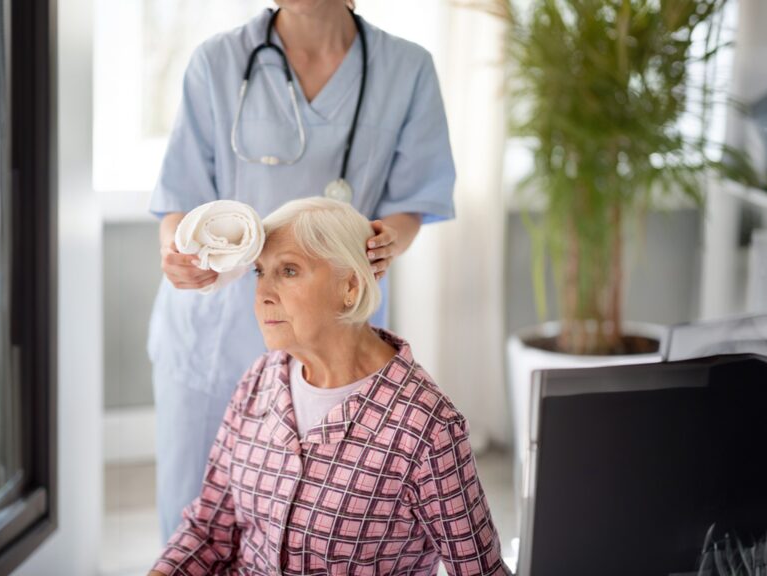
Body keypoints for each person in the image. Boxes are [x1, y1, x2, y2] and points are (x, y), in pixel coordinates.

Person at [149, 0, 456, 541]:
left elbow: (412, 203)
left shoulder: (406, 68)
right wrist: (176, 251)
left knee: (324, 528)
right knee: (197, 525)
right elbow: (181, 198)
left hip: (330, 331)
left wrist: (388, 241)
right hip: (217, 326)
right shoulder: (217, 61)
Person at [150, 198, 506, 575]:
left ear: (350, 286)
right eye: (259, 272)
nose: (263, 293)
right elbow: (209, 531)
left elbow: (480, 571)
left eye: (288, 270)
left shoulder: (426, 427)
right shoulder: (260, 380)